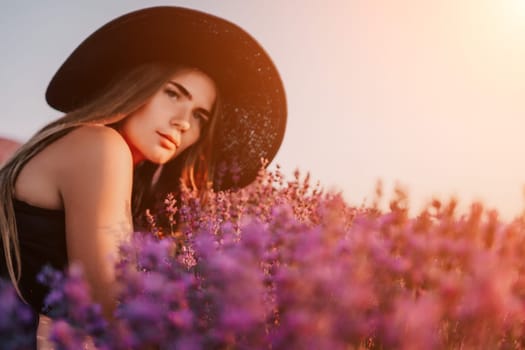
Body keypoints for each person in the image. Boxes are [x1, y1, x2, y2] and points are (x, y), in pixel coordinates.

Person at [0, 6, 286, 347]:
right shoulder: (100, 145)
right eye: (173, 93)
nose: (183, 121)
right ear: (136, 86)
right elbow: (109, 307)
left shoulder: (101, 157)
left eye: (200, 116)